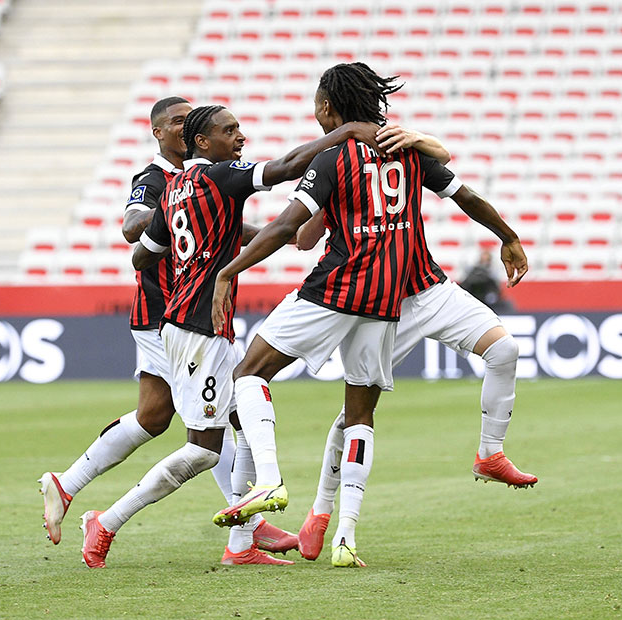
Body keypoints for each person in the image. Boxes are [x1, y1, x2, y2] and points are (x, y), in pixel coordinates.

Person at [207, 63, 507, 568]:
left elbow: (288, 230)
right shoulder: (406, 150)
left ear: (327, 107)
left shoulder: (333, 157)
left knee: (247, 375)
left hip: (335, 288)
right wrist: (510, 237)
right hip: (386, 302)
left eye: (316, 102)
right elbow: (465, 192)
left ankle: (270, 480)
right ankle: (339, 534)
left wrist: (228, 271)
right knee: (359, 416)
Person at [78, 102, 381, 568]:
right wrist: (348, 133)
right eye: (230, 130)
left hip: (197, 325)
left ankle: (240, 545)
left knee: (247, 418)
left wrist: (191, 250)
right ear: (203, 142)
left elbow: (141, 258)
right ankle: (106, 522)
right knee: (202, 451)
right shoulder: (221, 177)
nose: (240, 137)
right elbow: (289, 166)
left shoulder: (176, 188)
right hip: (196, 331)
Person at [38, 97, 298, 555]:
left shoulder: (201, 180)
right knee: (221, 423)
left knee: (160, 417)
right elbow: (133, 227)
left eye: (186, 120)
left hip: (179, 316)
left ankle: (69, 484)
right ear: (159, 132)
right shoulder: (155, 179)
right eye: (175, 122)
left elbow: (222, 228)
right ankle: (244, 525)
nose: (181, 128)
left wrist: (283, 233)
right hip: (167, 315)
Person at [294, 129, 535, 563]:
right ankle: (322, 512)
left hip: (430, 288)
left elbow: (459, 185)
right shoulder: (333, 164)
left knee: (505, 350)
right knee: (355, 414)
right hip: (377, 301)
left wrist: (508, 235)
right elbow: (306, 239)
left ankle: (490, 453)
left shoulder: (400, 150)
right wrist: (327, 204)